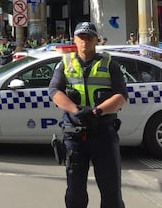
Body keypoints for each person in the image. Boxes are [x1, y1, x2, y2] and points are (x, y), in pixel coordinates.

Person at [49, 22, 127, 208]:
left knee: (111, 192)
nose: (85, 41)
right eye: (81, 37)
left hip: (103, 134)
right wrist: (76, 110)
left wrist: (97, 111)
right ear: (75, 39)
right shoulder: (65, 64)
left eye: (89, 37)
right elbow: (54, 91)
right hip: (74, 136)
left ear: (96, 40)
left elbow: (121, 95)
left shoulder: (110, 64)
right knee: (75, 193)